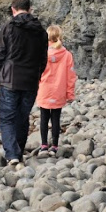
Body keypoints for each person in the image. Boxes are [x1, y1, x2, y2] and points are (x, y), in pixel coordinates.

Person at [0, 0, 48, 166]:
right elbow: (43, 59)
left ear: (13, 9)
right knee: (22, 117)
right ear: (29, 9)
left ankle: (13, 154)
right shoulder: (40, 31)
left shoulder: (8, 28)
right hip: (30, 80)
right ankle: (19, 152)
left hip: (10, 79)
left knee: (7, 117)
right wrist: (37, 75)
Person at [36, 25, 77, 155]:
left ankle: (43, 145)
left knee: (43, 118)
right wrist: (70, 94)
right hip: (59, 90)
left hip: (44, 89)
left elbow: (36, 72)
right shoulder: (67, 55)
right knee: (56, 119)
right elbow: (71, 76)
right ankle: (54, 146)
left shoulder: (41, 53)